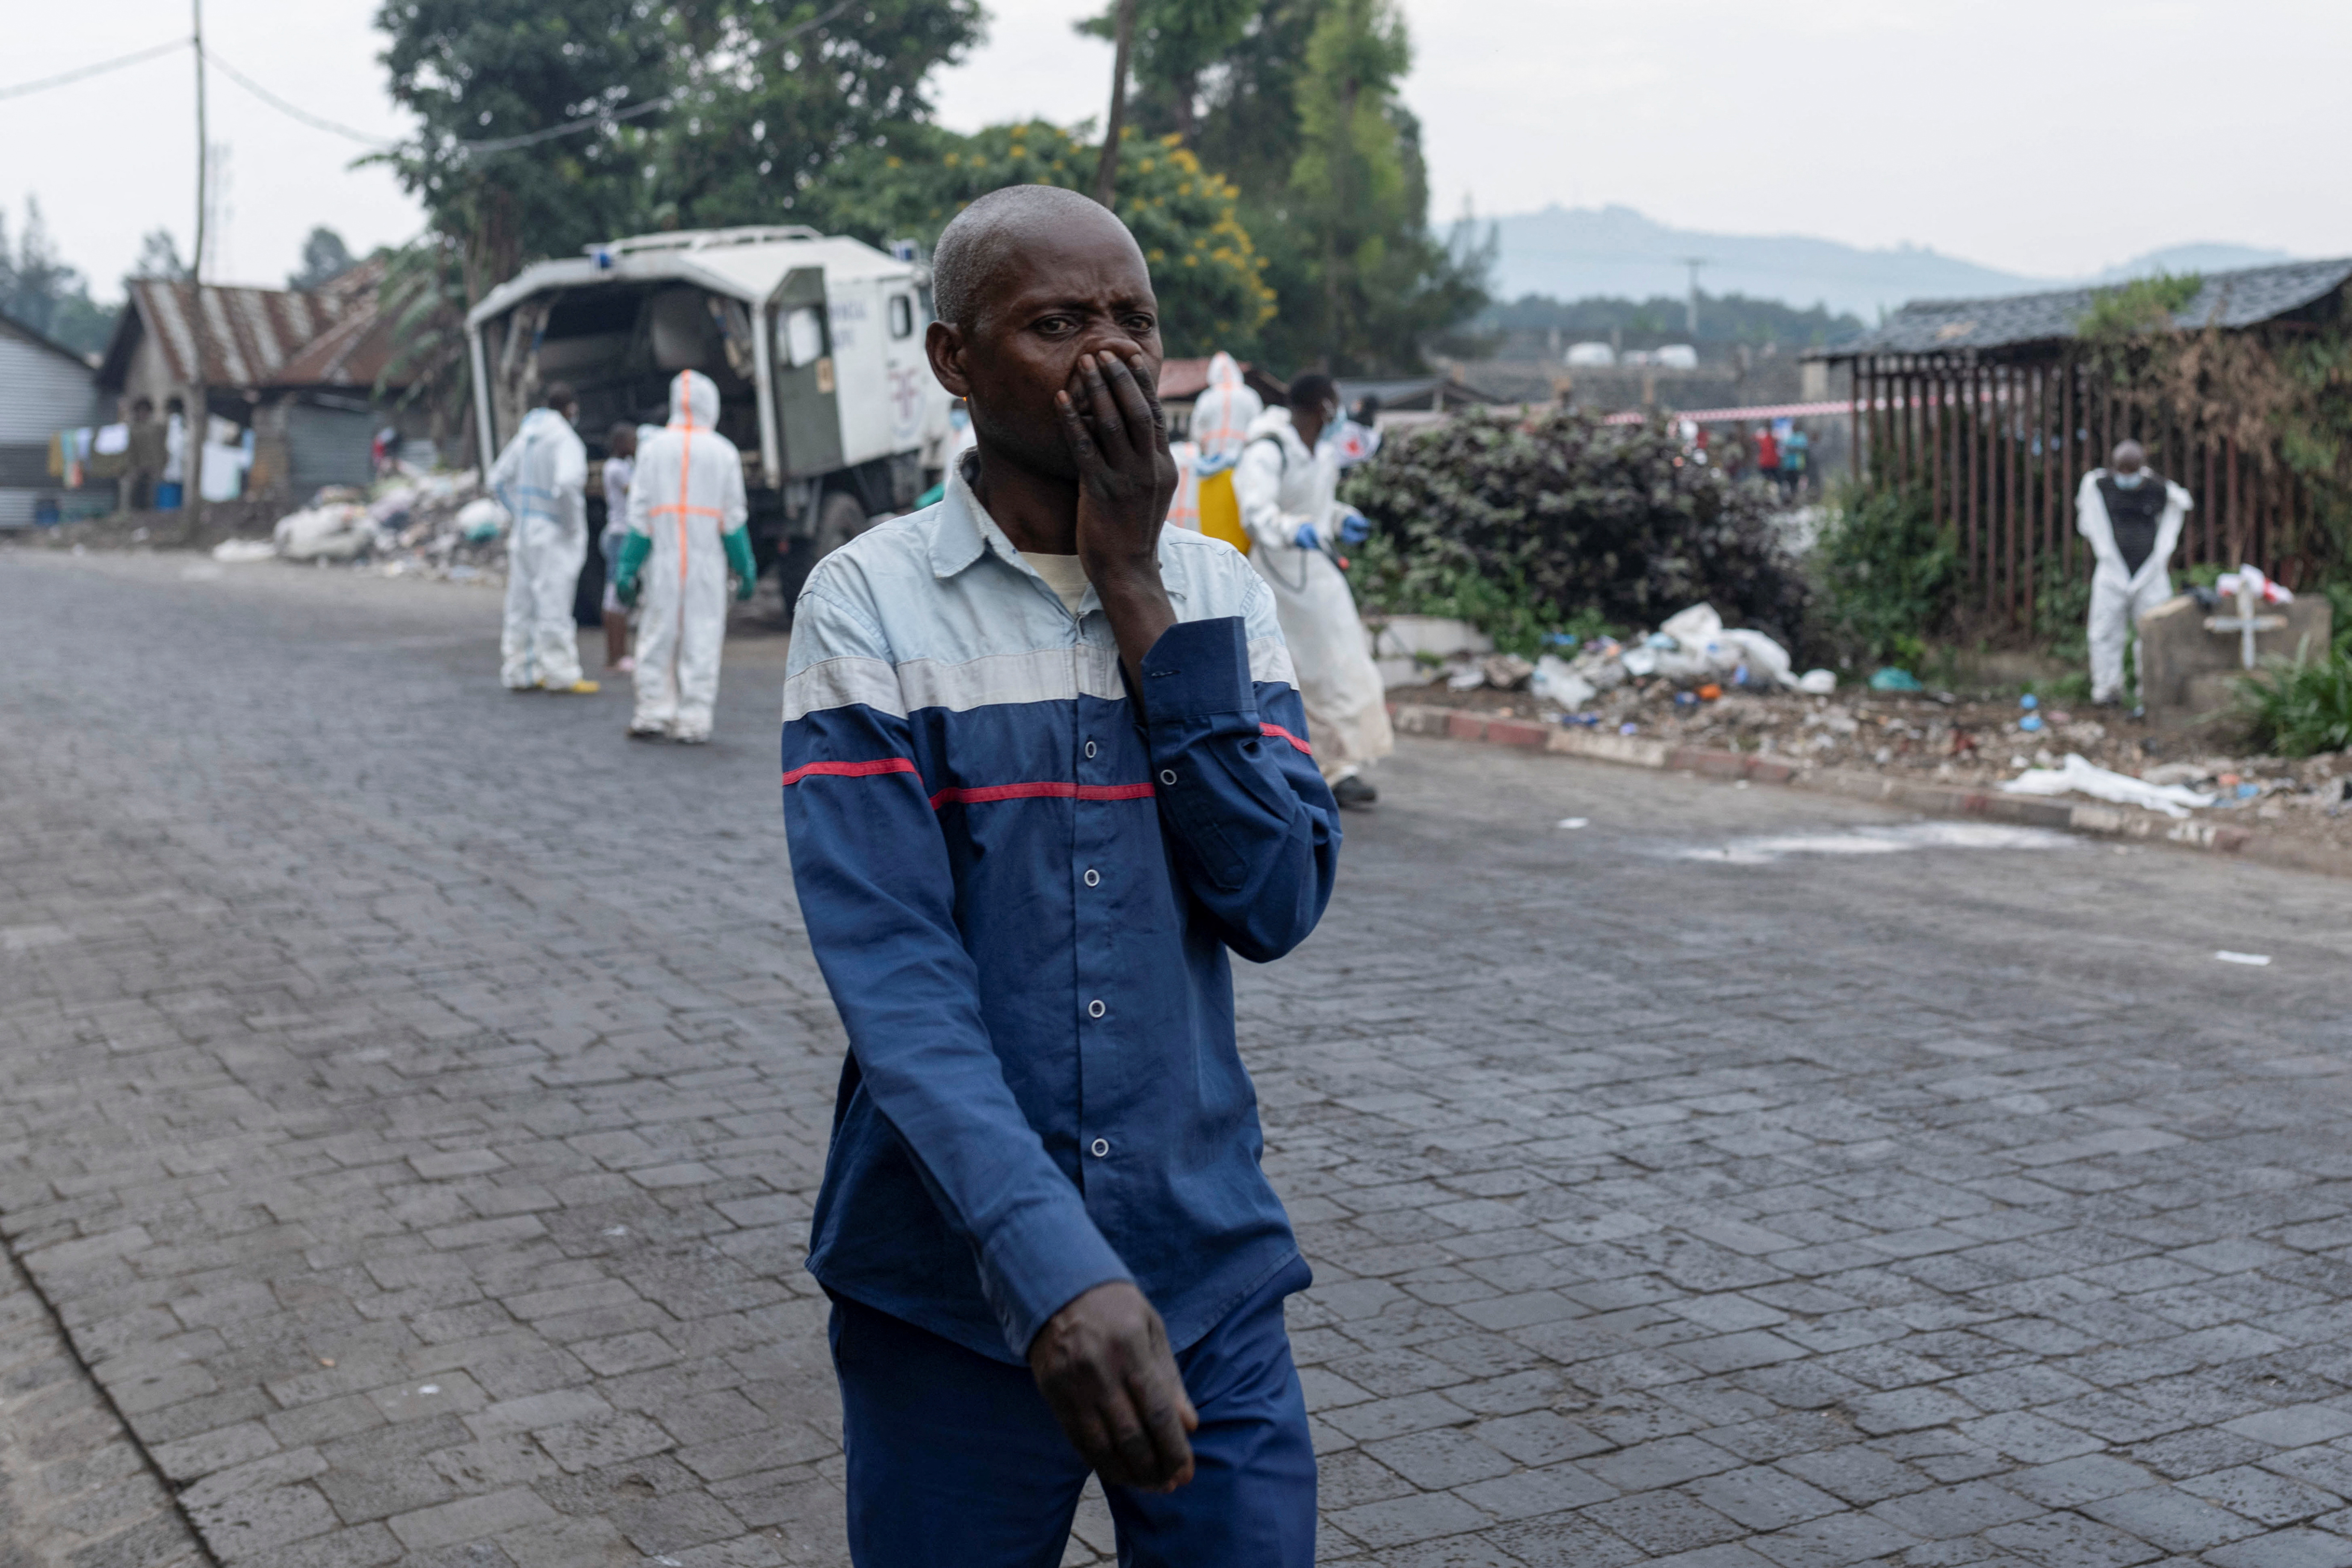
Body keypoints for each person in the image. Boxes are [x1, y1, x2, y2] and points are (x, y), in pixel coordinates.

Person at [779, 182, 1337, 1568]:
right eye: (1058, 321)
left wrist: (1139, 588)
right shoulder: (868, 603)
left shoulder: (1220, 595)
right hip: (952, 1293)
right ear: (955, 360)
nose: (1110, 358)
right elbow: (899, 978)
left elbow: (1274, 897)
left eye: (1134, 321)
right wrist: (1048, 1261)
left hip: (1204, 1267)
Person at [1234, 371, 1395, 809]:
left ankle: (1339, 765)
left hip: (1319, 576)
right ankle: (1317, 768)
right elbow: (1256, 512)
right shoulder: (1267, 450)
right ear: (1322, 407)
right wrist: (1292, 530)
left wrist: (1341, 520)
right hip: (1280, 577)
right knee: (1300, 675)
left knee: (1343, 668)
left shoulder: (1320, 452)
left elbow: (1317, 508)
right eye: (1336, 402)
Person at [613, 371, 753, 743]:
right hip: (707, 563)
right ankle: (693, 720)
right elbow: (734, 519)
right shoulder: (724, 452)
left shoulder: (653, 448)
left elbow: (640, 516)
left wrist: (627, 568)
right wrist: (745, 567)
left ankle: (652, 713)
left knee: (656, 634)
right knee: (703, 638)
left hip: (663, 561)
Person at [488, 382, 597, 694]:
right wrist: (571, 525)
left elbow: (496, 479)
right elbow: (566, 484)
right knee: (554, 604)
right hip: (553, 535)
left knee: (521, 604)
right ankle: (560, 674)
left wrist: (521, 511)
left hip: (524, 532)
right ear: (571, 409)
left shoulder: (526, 437)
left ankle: (519, 671)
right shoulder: (566, 441)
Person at [2076, 439, 2193, 707]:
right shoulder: (2100, 486)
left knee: (2153, 632)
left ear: (2141, 468)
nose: (2126, 476)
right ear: (2114, 467)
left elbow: (2179, 508)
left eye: (2132, 470)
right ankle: (2107, 692)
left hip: (2150, 575)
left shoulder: (2158, 489)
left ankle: (2151, 693)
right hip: (2111, 571)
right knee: (2104, 632)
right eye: (2122, 470)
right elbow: (2088, 520)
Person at [599, 422, 639, 674]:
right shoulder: (616, 469)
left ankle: (619, 655)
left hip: (623, 533)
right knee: (615, 596)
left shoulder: (624, 466)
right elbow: (636, 493)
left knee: (619, 598)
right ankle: (617, 656)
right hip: (620, 535)